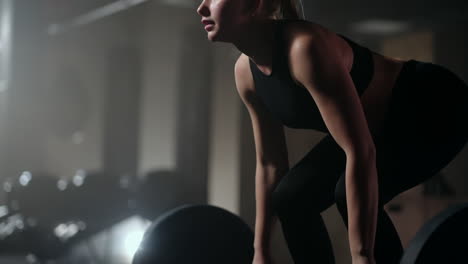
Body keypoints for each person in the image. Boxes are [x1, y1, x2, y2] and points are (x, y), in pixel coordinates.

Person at [196, 0, 468, 263]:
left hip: (432, 107)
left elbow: (360, 151)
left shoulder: (304, 48)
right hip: (375, 129)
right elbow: (270, 165)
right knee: (290, 197)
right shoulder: (244, 72)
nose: (202, 7)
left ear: (253, 3)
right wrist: (261, 250)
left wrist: (362, 257)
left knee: (344, 194)